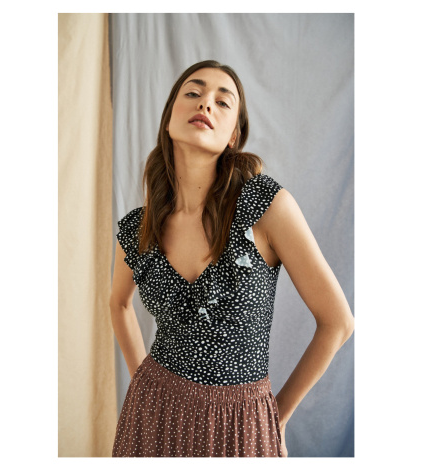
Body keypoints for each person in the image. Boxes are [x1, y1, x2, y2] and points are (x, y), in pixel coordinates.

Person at [110, 60, 354, 457]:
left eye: (223, 102)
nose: (205, 103)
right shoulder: (140, 226)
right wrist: (142, 382)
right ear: (168, 119)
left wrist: (276, 418)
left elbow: (338, 322)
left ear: (233, 136)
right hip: (152, 416)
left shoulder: (265, 206)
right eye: (193, 92)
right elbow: (118, 304)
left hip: (240, 426)